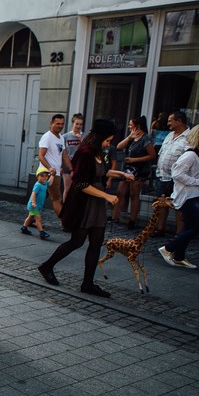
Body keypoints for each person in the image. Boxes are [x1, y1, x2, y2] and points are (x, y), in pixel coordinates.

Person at [38, 119, 135, 298]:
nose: (109, 143)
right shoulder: (85, 152)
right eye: (108, 140)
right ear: (99, 137)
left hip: (96, 203)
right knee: (77, 241)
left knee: (96, 243)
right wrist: (107, 196)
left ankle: (88, 283)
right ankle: (46, 266)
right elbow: (81, 183)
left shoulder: (98, 152)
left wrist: (121, 175)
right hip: (84, 204)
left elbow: (101, 172)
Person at [158, 123, 199, 269]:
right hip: (188, 197)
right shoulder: (190, 155)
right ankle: (168, 248)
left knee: (189, 227)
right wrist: (198, 182)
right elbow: (177, 174)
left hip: (195, 195)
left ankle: (179, 257)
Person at [110, 116, 155, 229]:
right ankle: (114, 217)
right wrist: (129, 137)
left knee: (134, 194)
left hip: (140, 170)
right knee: (120, 192)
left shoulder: (145, 139)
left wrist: (135, 160)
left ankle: (132, 220)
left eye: (131, 124)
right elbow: (119, 147)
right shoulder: (132, 137)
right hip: (128, 169)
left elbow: (152, 155)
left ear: (137, 125)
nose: (129, 126)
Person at [154, 111, 190, 237]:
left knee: (179, 205)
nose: (168, 123)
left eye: (170, 121)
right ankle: (160, 228)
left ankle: (178, 233)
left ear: (179, 121)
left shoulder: (190, 137)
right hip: (162, 176)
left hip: (178, 178)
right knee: (162, 203)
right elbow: (162, 153)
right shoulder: (169, 135)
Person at [37, 113, 72, 216]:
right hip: (48, 174)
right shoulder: (47, 137)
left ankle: (31, 220)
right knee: (57, 198)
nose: (60, 126)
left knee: (39, 198)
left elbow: (64, 155)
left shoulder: (61, 137)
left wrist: (72, 169)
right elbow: (41, 156)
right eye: (57, 124)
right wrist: (50, 168)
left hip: (55, 173)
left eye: (62, 124)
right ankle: (64, 223)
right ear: (51, 123)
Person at [22, 166, 51, 240]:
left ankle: (24, 227)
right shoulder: (38, 185)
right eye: (42, 176)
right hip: (33, 205)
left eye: (46, 176)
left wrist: (53, 175)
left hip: (37, 205)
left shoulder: (45, 184)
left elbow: (50, 183)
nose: (44, 178)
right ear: (37, 176)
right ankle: (42, 232)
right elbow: (34, 194)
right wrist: (34, 202)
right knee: (38, 218)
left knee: (30, 217)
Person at [63, 113, 84, 195]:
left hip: (80, 163)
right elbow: (62, 152)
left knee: (77, 188)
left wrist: (81, 140)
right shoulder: (65, 136)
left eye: (81, 124)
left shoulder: (84, 136)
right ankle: (65, 207)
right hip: (68, 163)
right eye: (77, 124)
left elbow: (87, 149)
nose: (78, 126)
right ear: (73, 123)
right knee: (67, 189)